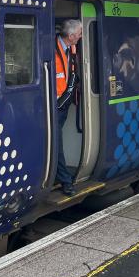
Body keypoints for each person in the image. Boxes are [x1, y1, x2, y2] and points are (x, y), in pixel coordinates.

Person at [54, 19, 82, 196]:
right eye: (79, 34)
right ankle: (65, 181)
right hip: (54, 107)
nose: (80, 37)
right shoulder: (51, 48)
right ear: (71, 36)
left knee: (57, 143)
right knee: (56, 145)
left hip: (62, 106)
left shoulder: (70, 48)